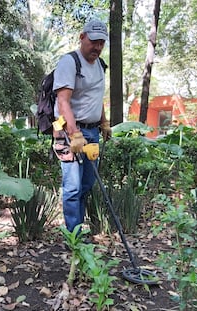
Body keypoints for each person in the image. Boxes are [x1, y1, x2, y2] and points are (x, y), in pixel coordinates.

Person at [52, 19, 112, 233]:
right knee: (73, 186)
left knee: (87, 183)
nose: (97, 47)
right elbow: (63, 101)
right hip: (70, 133)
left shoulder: (100, 65)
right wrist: (74, 133)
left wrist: (104, 123)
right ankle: (74, 236)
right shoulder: (69, 62)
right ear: (82, 37)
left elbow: (97, 97)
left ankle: (77, 228)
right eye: (94, 41)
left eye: (101, 43)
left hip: (92, 131)